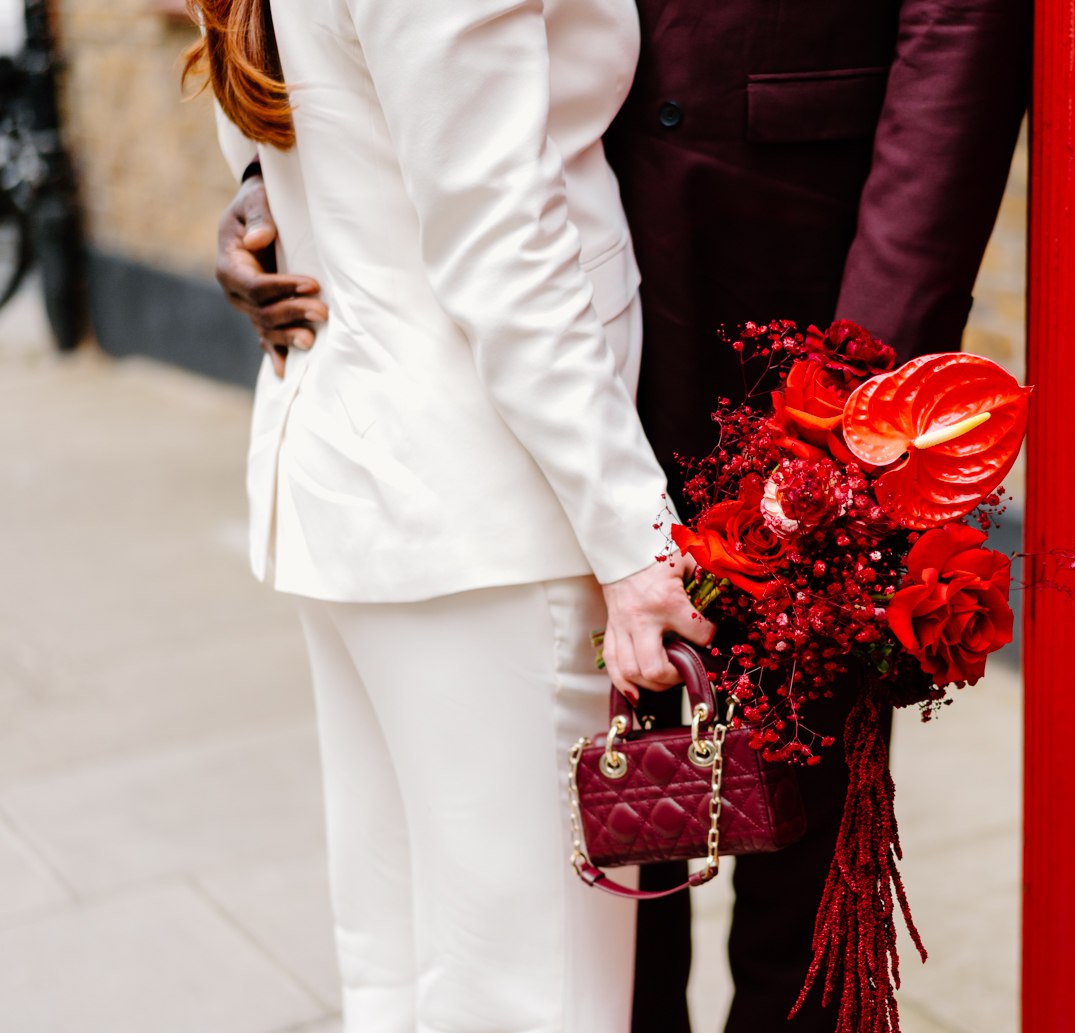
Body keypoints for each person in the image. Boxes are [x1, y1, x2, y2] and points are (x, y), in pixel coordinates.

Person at [215, 1, 1030, 1028]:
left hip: (789, 298)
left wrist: (857, 407)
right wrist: (288, 176)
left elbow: (959, 26)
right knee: (581, 874)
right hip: (536, 362)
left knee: (798, 827)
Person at [186, 0, 713, 1030]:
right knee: (532, 997)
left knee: (400, 972)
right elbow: (501, 243)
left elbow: (271, 124)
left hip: (357, 478)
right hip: (483, 509)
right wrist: (632, 540)